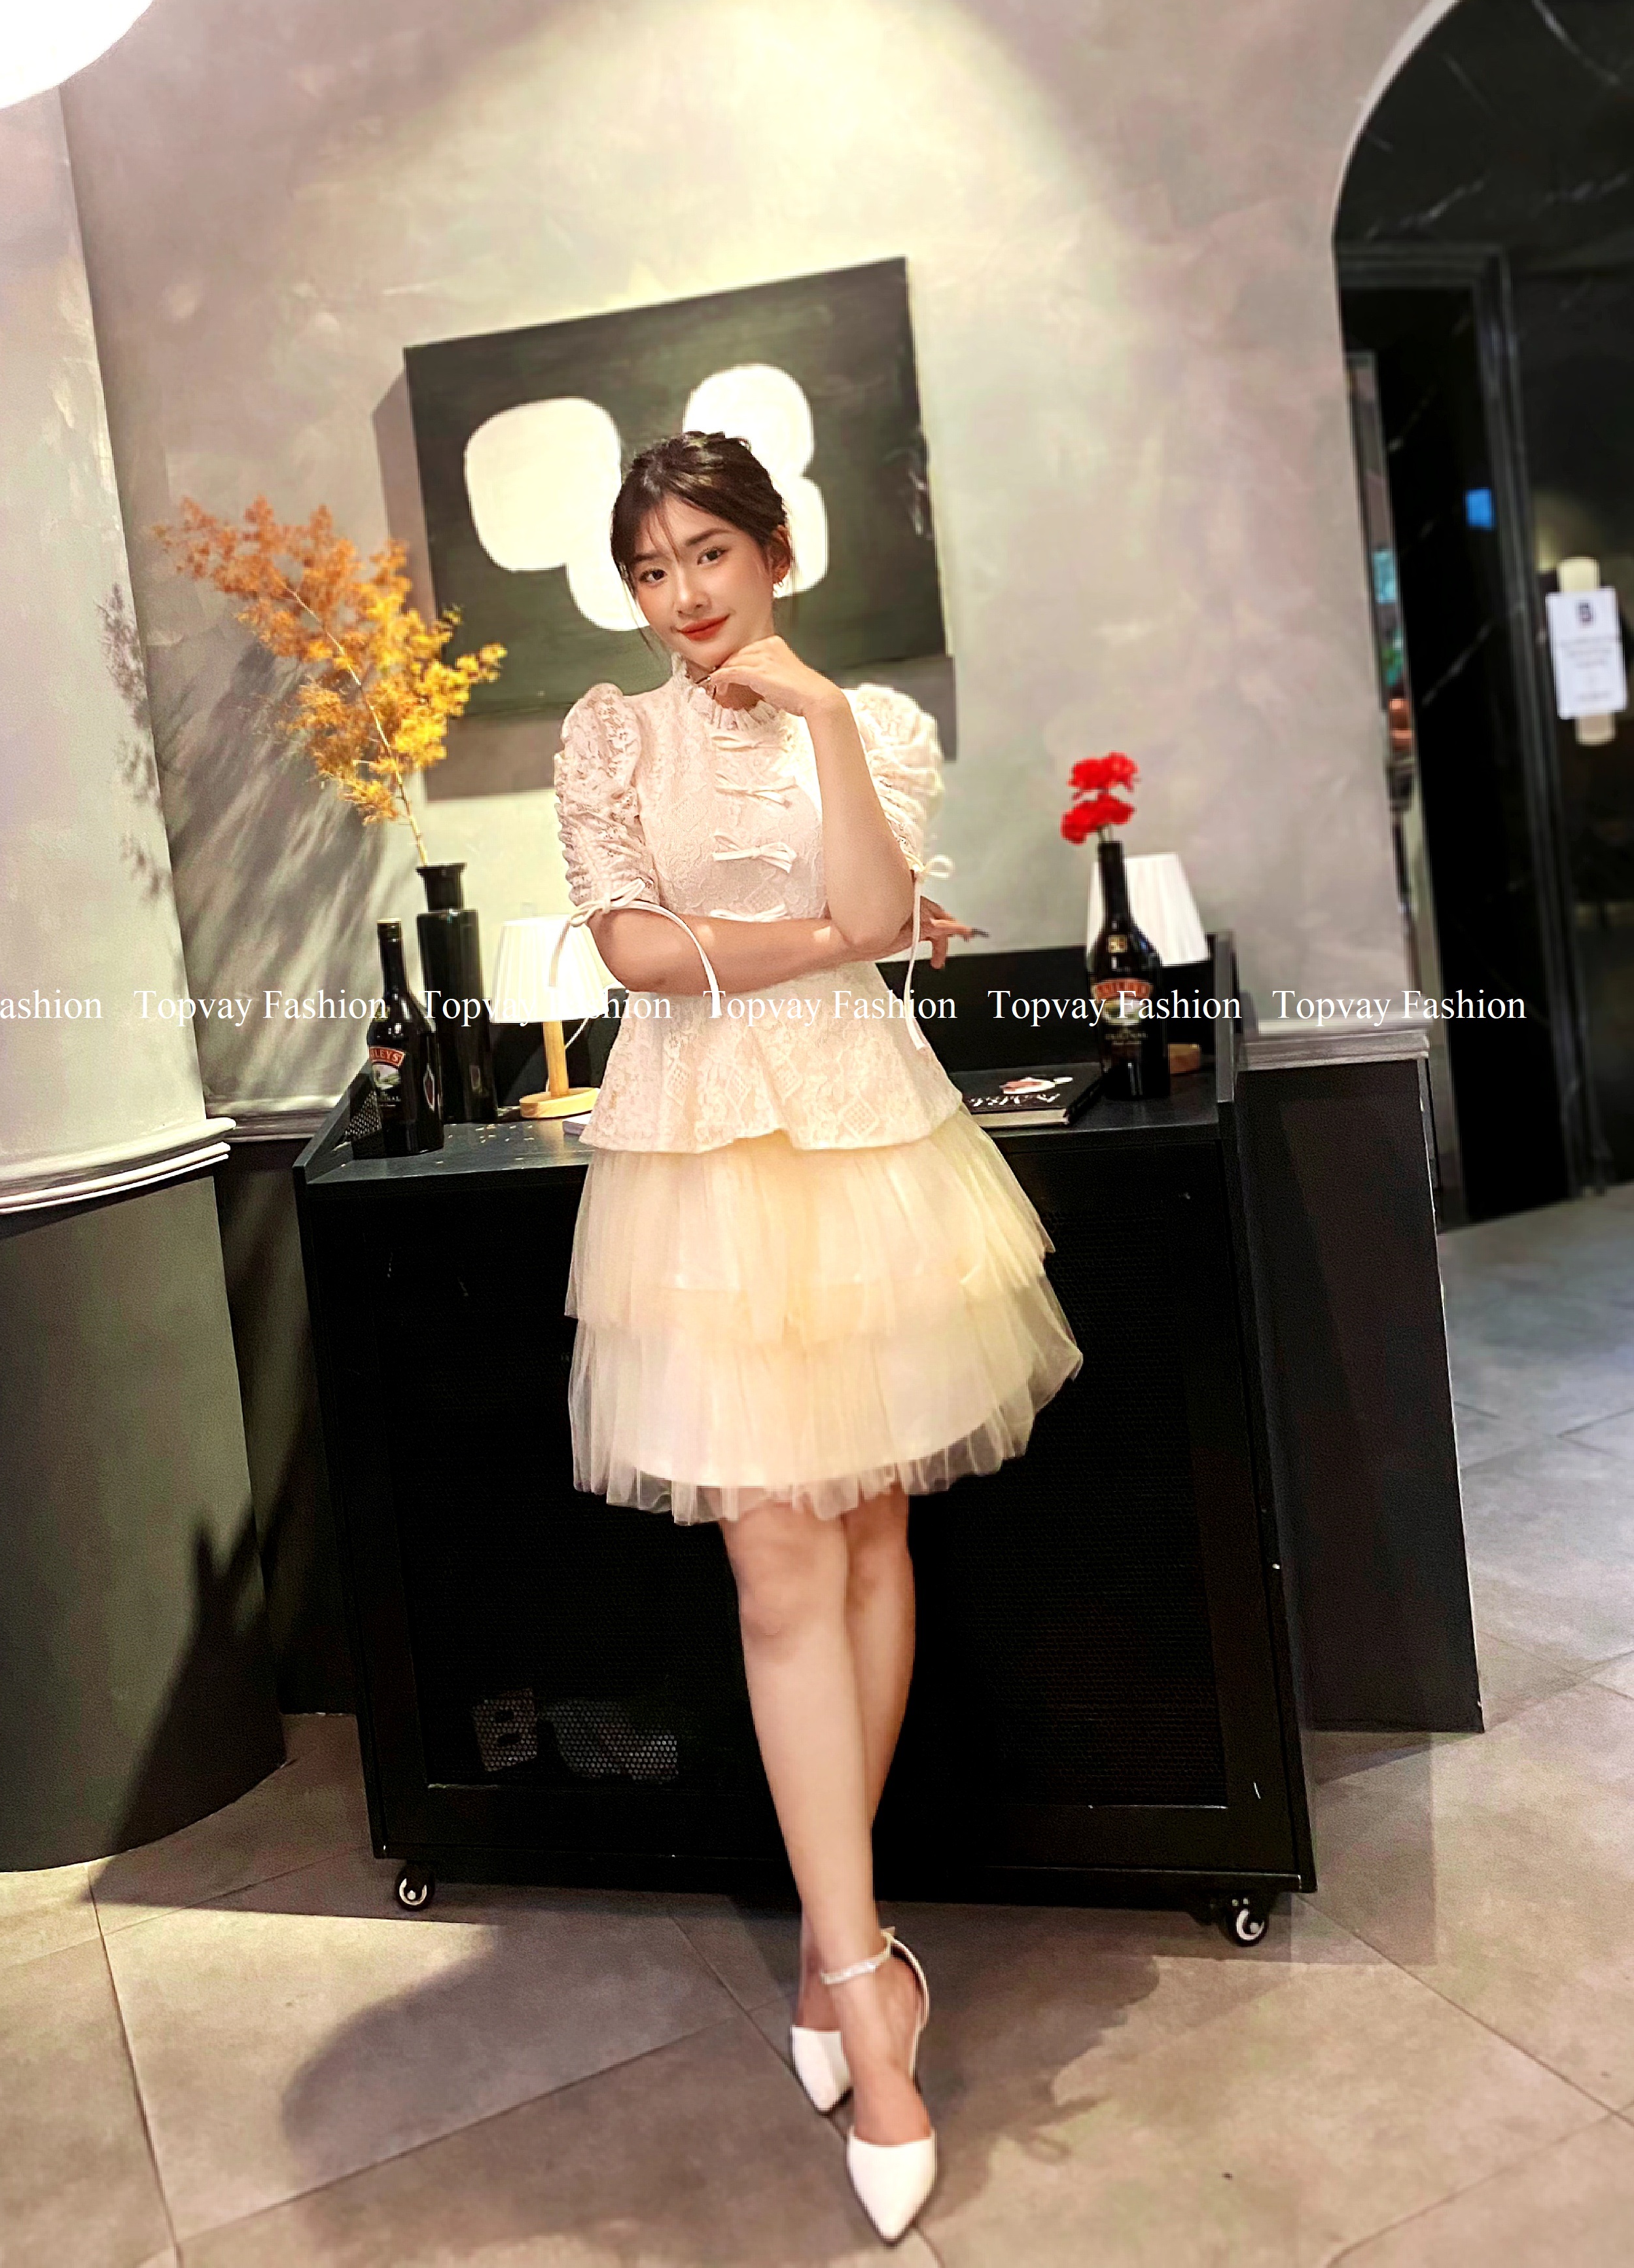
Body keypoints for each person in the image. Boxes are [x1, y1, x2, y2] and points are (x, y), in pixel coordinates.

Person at [550, 430, 1081, 2242]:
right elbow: (634, 955)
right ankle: (867, 1994)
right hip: (699, 1170)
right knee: (778, 1561)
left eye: (708, 552)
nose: (681, 594)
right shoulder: (605, 734)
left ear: (775, 554)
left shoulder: (878, 726)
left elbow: (868, 898)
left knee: (866, 1538)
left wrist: (829, 735)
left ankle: (832, 1956)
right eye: (650, 567)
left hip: (866, 1152)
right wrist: (826, 934)